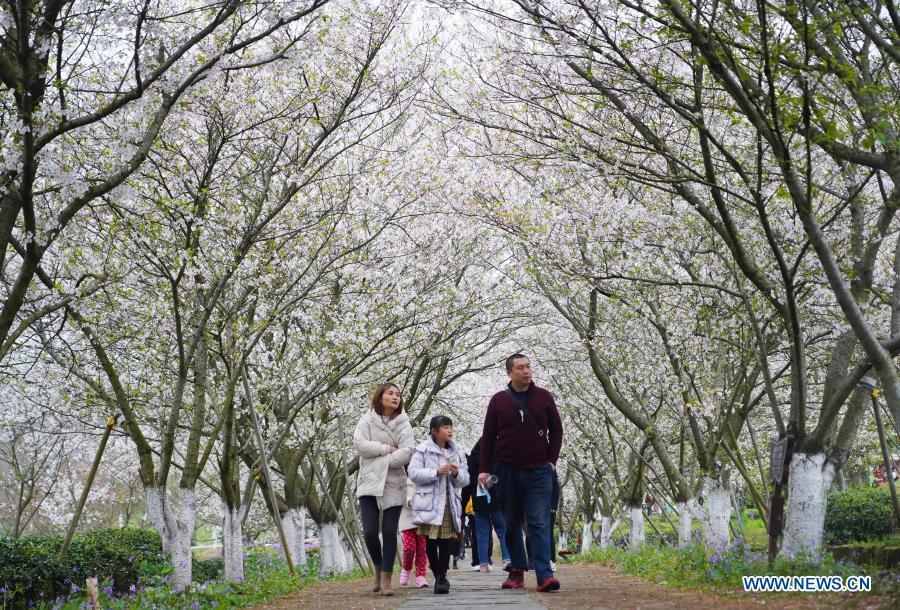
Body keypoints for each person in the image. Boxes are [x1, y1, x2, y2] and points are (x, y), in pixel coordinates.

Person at [478, 353, 563, 593]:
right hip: (506, 470)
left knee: (538, 521)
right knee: (512, 522)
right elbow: (488, 436)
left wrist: (551, 461)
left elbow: (556, 429)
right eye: (520, 368)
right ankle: (516, 571)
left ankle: (544, 574)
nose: (526, 371)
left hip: (539, 471)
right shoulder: (498, 401)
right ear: (509, 373)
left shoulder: (544, 397)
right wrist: (484, 470)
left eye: (528, 366)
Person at [353, 383, 415, 596]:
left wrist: (379, 461)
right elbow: (360, 445)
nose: (395, 397)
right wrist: (387, 449)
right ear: (380, 397)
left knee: (389, 531)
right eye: (390, 393)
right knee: (370, 532)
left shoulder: (404, 424)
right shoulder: (366, 420)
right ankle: (378, 569)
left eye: (398, 394)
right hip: (368, 482)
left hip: (393, 483)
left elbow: (407, 452)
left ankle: (387, 578)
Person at [408, 415, 470, 595]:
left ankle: (441, 578)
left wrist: (457, 473)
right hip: (429, 502)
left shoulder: (457, 452)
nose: (450, 430)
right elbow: (413, 473)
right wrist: (435, 472)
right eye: (445, 427)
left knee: (445, 542)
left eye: (451, 426)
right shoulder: (422, 450)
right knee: (430, 542)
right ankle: (438, 576)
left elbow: (465, 480)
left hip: (448, 504)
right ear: (434, 431)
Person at [469, 436, 511, 572]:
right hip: (497, 499)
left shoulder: (473, 461)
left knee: (481, 532)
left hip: (479, 500)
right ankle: (507, 559)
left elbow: (468, 483)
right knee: (502, 530)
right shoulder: (498, 459)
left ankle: (483, 564)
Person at [399, 478, 429, 588]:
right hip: (408, 519)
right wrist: (410, 501)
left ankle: (421, 576)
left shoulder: (425, 480)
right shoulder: (403, 481)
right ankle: (406, 569)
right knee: (409, 548)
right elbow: (399, 496)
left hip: (422, 520)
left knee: (422, 549)